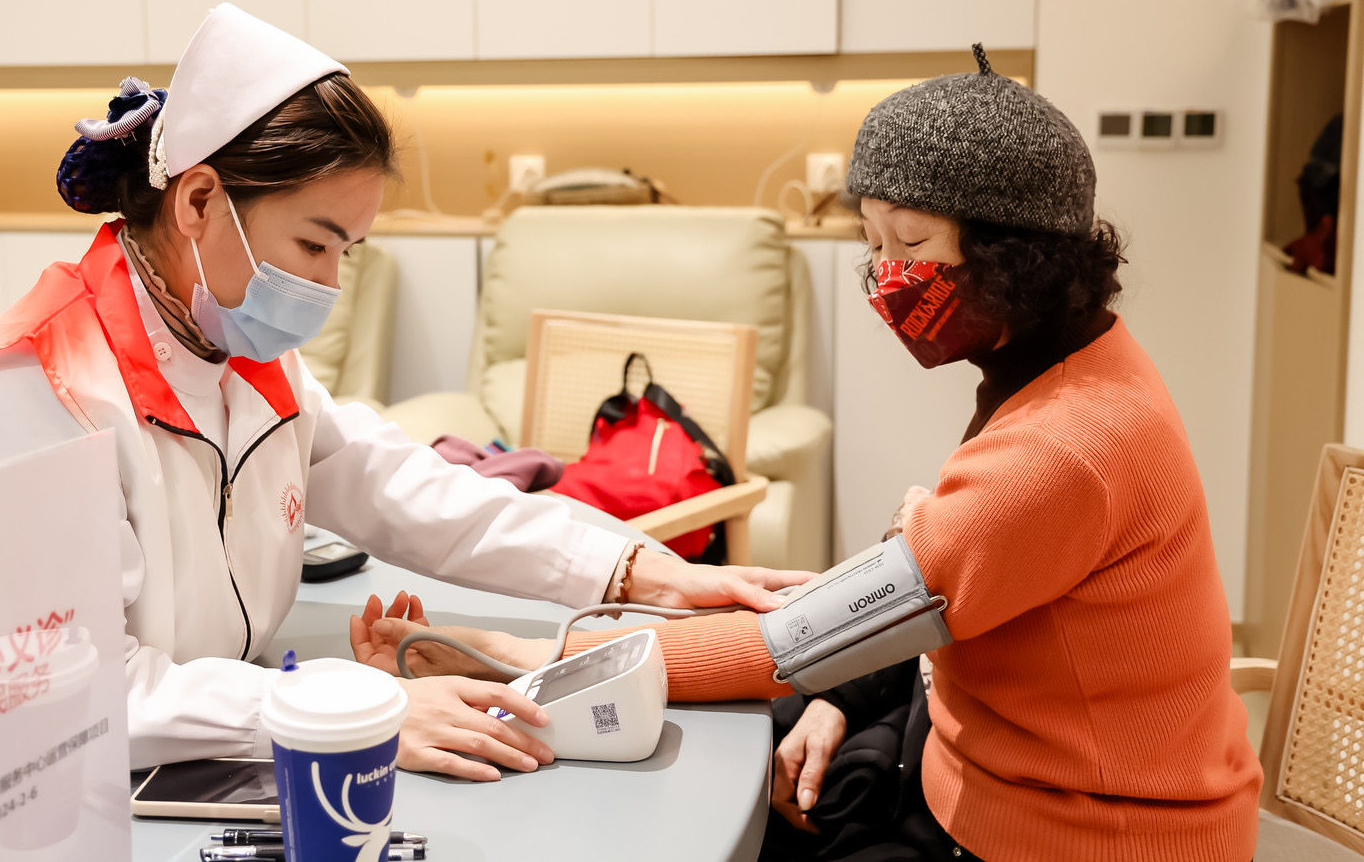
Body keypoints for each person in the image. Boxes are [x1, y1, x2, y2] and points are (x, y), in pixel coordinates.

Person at [351, 46, 1263, 862]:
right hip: (992, 773)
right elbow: (944, 598)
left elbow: (796, 639)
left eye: (911, 242)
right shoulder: (1078, 368)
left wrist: (511, 654)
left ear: (1011, 251)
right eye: (874, 244)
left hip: (1084, 833)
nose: (889, 275)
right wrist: (839, 696)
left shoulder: (1063, 446)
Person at [0, 4, 811, 781]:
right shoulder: (33, 391)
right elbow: (58, 695)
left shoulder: (232, 346)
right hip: (41, 800)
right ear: (199, 201)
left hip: (198, 766)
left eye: (347, 251)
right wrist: (346, 713)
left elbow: (402, 488)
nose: (329, 284)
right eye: (312, 243)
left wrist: (636, 570)